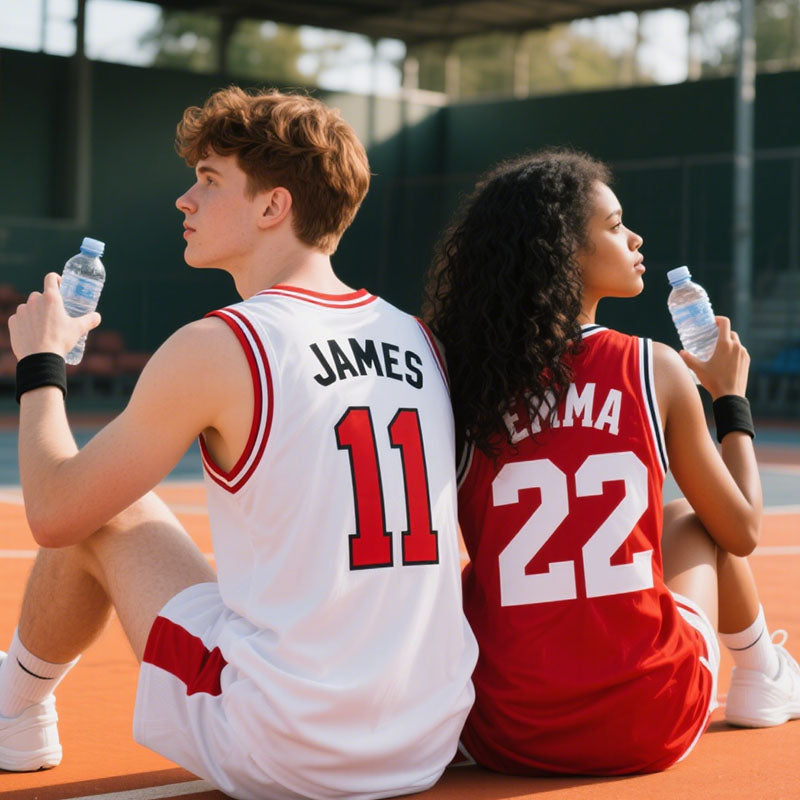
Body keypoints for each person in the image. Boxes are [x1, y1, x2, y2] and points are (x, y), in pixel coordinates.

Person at [0, 86, 477, 799]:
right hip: (426, 738)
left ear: (272, 206)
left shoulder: (223, 344)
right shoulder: (421, 340)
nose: (184, 199)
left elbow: (54, 511)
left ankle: (14, 709)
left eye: (209, 179)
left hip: (283, 744)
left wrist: (41, 362)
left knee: (104, 505)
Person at [424, 148, 800, 776]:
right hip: (650, 718)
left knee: (473, 574)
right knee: (689, 520)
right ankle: (763, 672)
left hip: (505, 730)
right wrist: (730, 398)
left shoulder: (457, 383)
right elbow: (741, 530)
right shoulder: (654, 368)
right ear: (562, 251)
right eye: (616, 224)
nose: (635, 238)